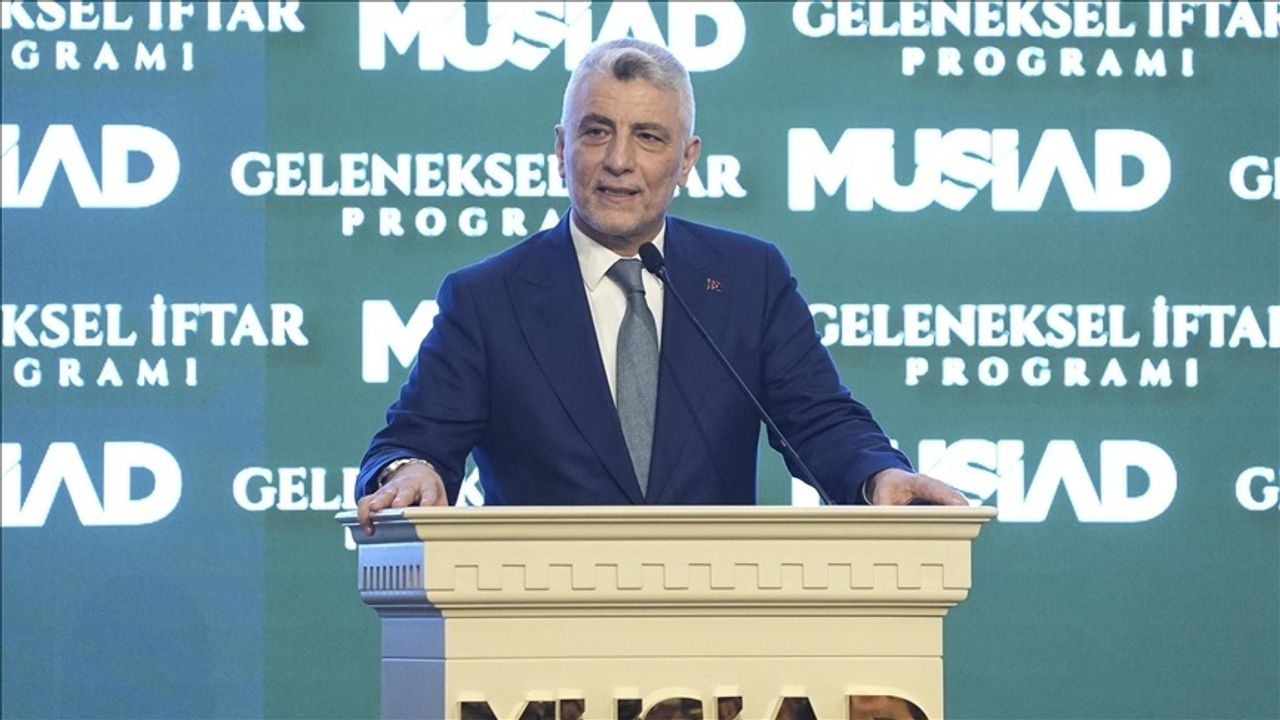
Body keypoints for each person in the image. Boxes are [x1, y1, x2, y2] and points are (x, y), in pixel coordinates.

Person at [356, 39, 963, 535]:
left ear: (687, 159)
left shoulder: (749, 278)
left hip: (714, 621)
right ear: (562, 148)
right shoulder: (488, 298)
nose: (620, 160)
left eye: (648, 136)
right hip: (543, 624)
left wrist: (878, 476)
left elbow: (820, 420)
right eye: (597, 132)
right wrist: (410, 473)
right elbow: (412, 440)